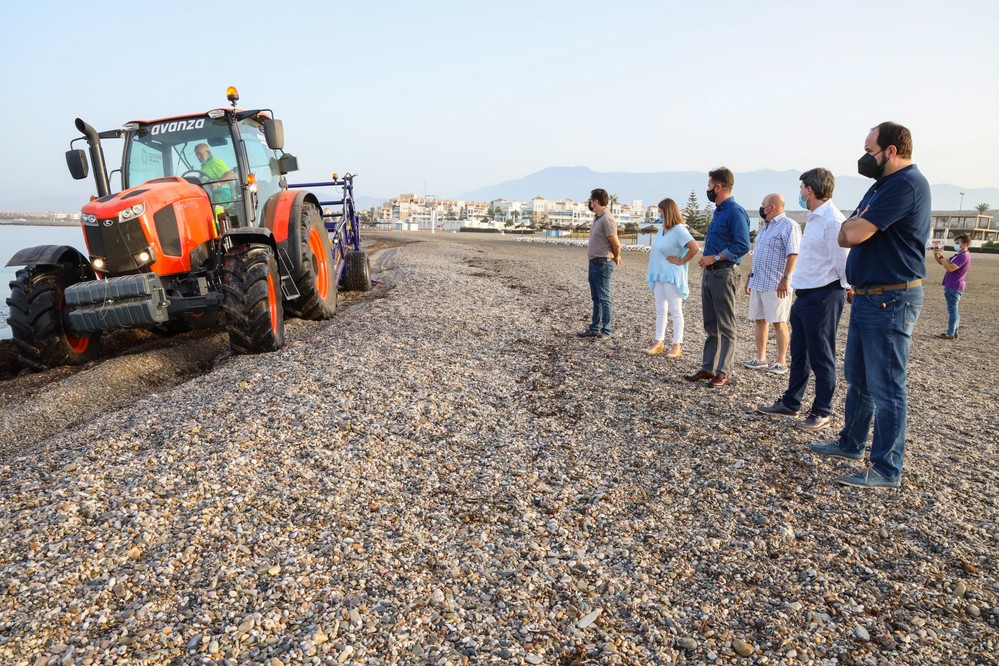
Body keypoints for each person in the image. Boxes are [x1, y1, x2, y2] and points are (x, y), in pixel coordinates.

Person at [809, 122, 931, 489]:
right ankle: (851, 443)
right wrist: (852, 227)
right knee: (858, 379)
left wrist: (853, 227)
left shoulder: (906, 185)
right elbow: (846, 232)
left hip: (890, 298)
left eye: (870, 149)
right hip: (867, 297)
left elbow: (853, 233)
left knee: (888, 386)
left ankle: (886, 468)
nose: (865, 157)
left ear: (890, 151)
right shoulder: (881, 186)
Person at [757, 168, 850, 431]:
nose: (799, 193)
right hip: (805, 294)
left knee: (822, 356)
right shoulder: (815, 218)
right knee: (800, 354)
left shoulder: (832, 220)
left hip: (825, 295)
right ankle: (791, 402)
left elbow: (843, 262)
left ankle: (822, 410)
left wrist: (845, 290)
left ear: (810, 189)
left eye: (801, 188)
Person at [683, 167, 751, 388]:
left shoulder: (734, 212)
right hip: (711, 274)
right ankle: (708, 367)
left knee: (726, 325)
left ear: (719, 187)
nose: (708, 190)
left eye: (710, 186)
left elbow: (743, 245)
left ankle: (723, 371)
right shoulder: (718, 211)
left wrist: (716, 257)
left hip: (725, 272)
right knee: (710, 324)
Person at [742, 193, 800, 375]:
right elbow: (759, 254)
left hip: (776, 283)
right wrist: (750, 276)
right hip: (759, 281)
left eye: (763, 204)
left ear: (772, 206)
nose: (761, 207)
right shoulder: (765, 228)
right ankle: (761, 358)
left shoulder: (789, 225)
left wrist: (785, 278)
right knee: (759, 320)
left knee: (779, 321)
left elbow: (793, 254)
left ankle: (781, 361)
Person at [644, 198, 699, 357]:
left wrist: (681, 260)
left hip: (671, 274)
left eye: (661, 212)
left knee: (676, 311)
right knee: (661, 309)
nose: (659, 214)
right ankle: (658, 342)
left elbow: (694, 247)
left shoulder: (679, 230)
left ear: (667, 212)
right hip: (659, 274)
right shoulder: (662, 229)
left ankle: (677, 345)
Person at [576, 189, 622, 340]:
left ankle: (606, 330)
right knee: (596, 297)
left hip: (603, 263)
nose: (589, 203)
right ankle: (594, 328)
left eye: (590, 200)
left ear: (596, 201)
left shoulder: (607, 218)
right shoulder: (597, 218)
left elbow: (615, 242)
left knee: (604, 297)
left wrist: (617, 256)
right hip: (594, 263)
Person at [932, 234, 971, 339]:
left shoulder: (964, 256)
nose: (956, 245)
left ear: (965, 244)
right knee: (954, 310)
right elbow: (943, 263)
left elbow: (950, 268)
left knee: (952, 310)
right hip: (952, 285)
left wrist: (941, 256)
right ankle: (954, 332)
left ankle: (950, 333)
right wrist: (937, 254)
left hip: (955, 285)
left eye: (958, 243)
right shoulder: (958, 255)